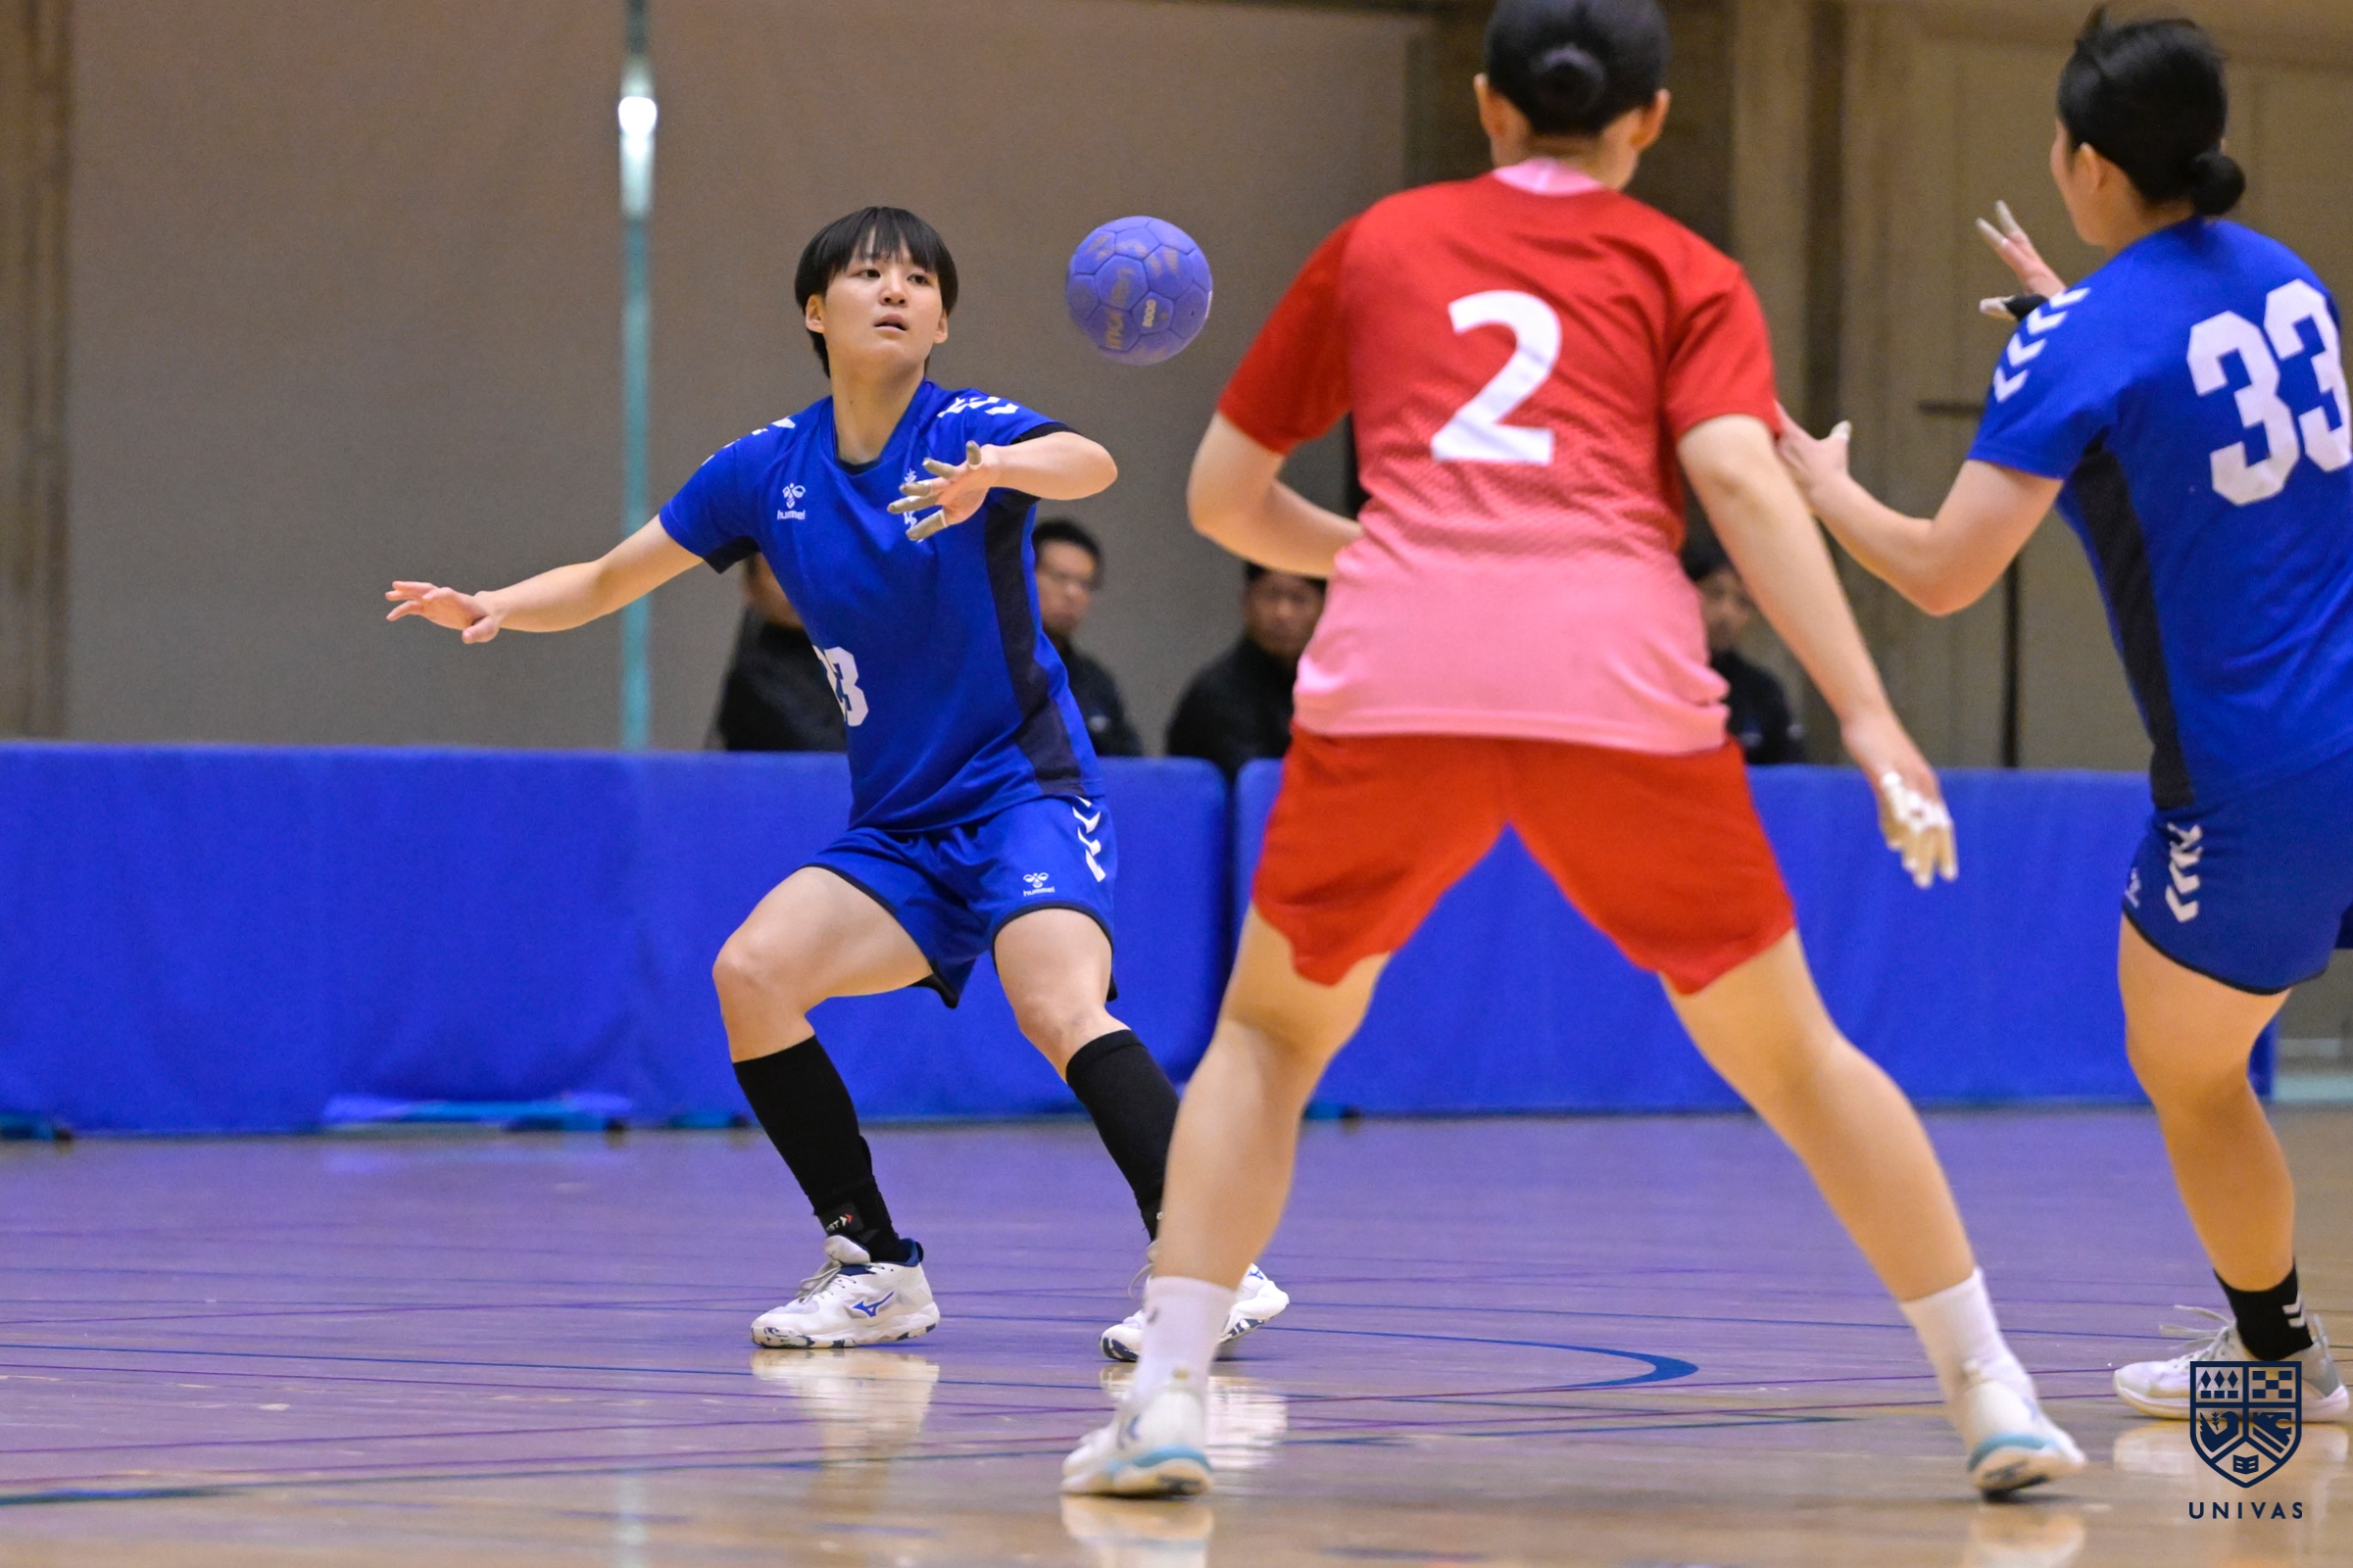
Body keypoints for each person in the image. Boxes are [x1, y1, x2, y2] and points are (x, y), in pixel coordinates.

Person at [1065, 0, 2083, 1501]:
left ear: (1487, 103)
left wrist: (1387, 553)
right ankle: (1993, 1392)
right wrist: (1867, 711)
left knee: (1270, 1041)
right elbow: (1741, 479)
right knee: (1798, 1060)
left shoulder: (1380, 242)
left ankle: (1163, 1400)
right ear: (1651, 120)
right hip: (1618, 677)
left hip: (1397, 678)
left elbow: (1225, 497)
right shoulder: (1686, 269)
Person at [388, 206, 1284, 1357]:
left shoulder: (967, 431)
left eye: (919, 279)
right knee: (753, 972)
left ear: (942, 321)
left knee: (1055, 1003)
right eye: (867, 274)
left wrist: (999, 473)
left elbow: (1091, 460)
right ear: (816, 311)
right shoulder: (766, 468)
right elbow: (613, 576)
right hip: (900, 827)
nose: (895, 289)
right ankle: (874, 1265)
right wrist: (499, 605)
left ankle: (1209, 1262)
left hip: (1020, 790)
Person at [1777, 9, 2348, 1424]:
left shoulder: (2083, 342)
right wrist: (2075, 319)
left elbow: (1940, 570)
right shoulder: (2288, 280)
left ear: (2088, 163)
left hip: (2259, 775)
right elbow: (2188, 404)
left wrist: (1821, 489)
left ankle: (2280, 1357)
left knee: (2187, 1067)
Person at [1163, 564, 1325, 778]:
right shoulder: (1218, 692)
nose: (1282, 613)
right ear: (1246, 603)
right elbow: (1258, 783)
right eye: (1271, 596)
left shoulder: (1331, 688)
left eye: (1299, 599)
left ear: (1325, 609)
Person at [711, 554, 850, 753]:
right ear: (749, 586)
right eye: (778, 573)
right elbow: (824, 749)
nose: (795, 586)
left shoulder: (852, 658)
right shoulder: (752, 678)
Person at [1685, 537, 1805, 763]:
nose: (1726, 613)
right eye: (1715, 593)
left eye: (1742, 602)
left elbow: (1792, 773)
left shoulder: (1762, 692)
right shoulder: (1648, 679)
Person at [1032, 517, 1143, 758]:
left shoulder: (1095, 681)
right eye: (1059, 577)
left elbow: (1130, 765)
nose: (1073, 593)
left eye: (1084, 583)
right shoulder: (987, 669)